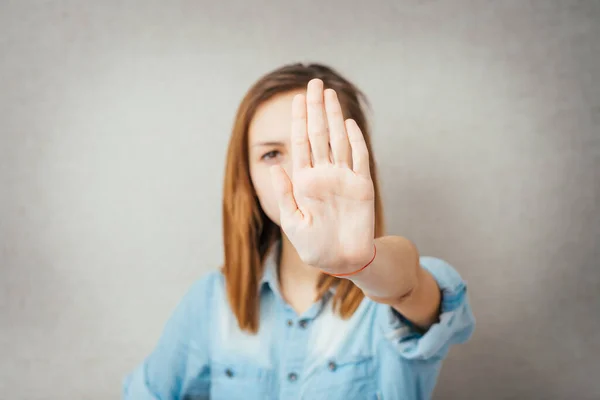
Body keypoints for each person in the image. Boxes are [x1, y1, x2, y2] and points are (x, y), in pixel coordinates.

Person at [122, 63, 475, 400]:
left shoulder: (386, 301)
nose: (301, 175)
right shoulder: (210, 302)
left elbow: (409, 284)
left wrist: (361, 262)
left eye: (319, 149)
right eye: (272, 154)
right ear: (248, 179)